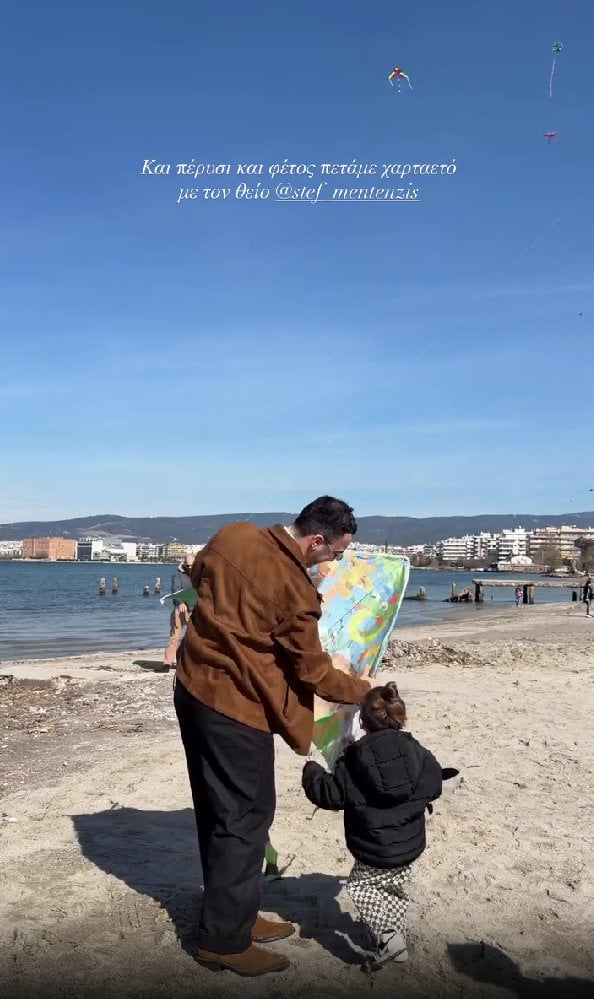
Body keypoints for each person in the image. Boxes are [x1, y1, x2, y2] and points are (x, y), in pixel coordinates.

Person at [174, 496, 371, 977]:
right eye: (336, 552)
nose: (333, 561)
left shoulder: (233, 534)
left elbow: (199, 579)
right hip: (236, 708)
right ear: (316, 540)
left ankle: (235, 915)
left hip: (192, 687)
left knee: (217, 811)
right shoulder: (296, 590)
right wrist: (364, 690)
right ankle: (223, 941)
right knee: (246, 817)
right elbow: (313, 672)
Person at [302, 681, 449, 970]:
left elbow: (329, 794)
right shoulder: (418, 751)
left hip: (373, 847)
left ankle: (389, 939)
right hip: (409, 844)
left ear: (362, 722)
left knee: (360, 887)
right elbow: (434, 784)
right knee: (395, 889)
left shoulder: (354, 760)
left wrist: (311, 771)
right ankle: (396, 940)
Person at [156, 551, 195, 673]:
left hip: (194, 609)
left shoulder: (198, 574)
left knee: (192, 638)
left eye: (192, 565)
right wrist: (181, 602)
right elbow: (175, 589)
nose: (190, 568)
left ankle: (187, 662)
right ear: (184, 563)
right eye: (188, 565)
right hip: (180, 609)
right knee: (174, 636)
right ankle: (167, 663)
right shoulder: (178, 575)